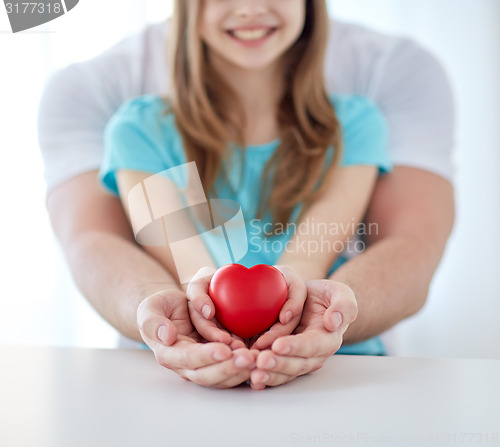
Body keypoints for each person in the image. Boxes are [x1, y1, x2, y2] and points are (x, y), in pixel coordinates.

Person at [38, 1, 455, 389]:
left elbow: (307, 260)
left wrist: (296, 318)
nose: (251, 8)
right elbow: (194, 273)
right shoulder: (137, 131)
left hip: (338, 376)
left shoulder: (356, 123)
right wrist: (214, 330)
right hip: (185, 379)